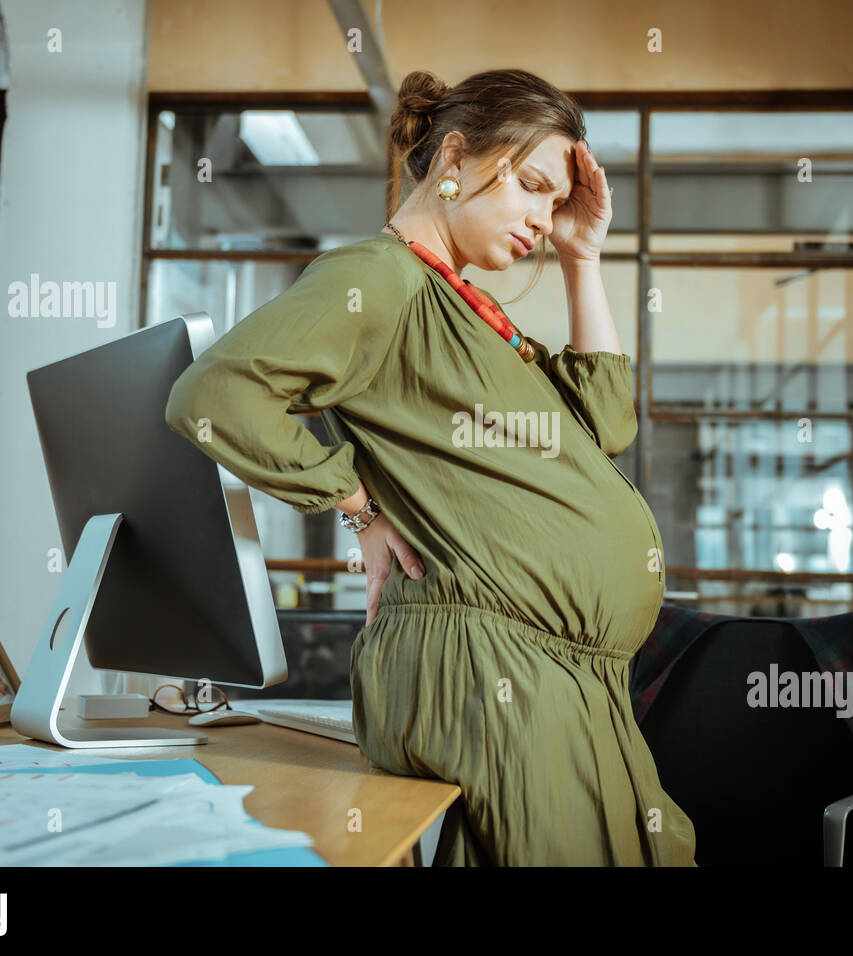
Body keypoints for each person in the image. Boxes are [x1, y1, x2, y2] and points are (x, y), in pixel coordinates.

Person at [165, 68, 697, 865]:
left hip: (561, 678)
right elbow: (215, 395)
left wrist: (584, 257)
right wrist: (359, 506)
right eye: (531, 186)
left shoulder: (469, 309)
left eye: (555, 202)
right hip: (495, 667)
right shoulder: (381, 280)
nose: (543, 221)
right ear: (454, 157)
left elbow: (608, 422)